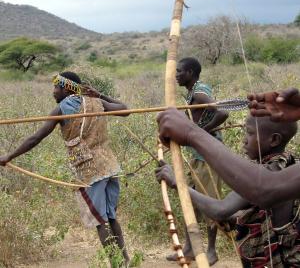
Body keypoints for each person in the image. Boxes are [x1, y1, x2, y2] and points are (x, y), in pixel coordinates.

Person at [0, 72, 130, 265]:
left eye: (56, 87)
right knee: (110, 217)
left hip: (90, 171)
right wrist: (100, 95)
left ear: (67, 88)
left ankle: (117, 264)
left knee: (99, 220)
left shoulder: (60, 110)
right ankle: (126, 261)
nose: (53, 92)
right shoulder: (97, 103)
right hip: (110, 166)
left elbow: (36, 138)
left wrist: (9, 156)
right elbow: (125, 109)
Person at [156, 115, 300, 267]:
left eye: (250, 133)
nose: (244, 140)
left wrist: (178, 183)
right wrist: (234, 218)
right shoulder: (289, 166)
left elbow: (220, 210)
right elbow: (269, 215)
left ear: (274, 140)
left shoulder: (266, 173)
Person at [167, 57, 228, 265]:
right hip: (198, 156)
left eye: (180, 71)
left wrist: (201, 132)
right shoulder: (193, 93)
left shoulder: (200, 94)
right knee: (190, 202)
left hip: (210, 158)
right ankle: (189, 247)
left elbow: (222, 112)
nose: (176, 75)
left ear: (191, 73)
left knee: (210, 204)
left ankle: (211, 251)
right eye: (175, 71)